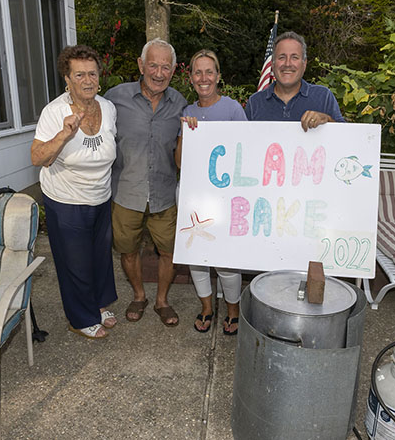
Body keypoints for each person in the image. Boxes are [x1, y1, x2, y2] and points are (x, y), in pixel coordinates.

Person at [31, 45, 118, 339]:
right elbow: (37, 157)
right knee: (75, 262)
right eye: (79, 74)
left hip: (100, 196)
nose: (87, 80)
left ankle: (98, 305)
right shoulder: (54, 112)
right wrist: (64, 135)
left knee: (100, 257)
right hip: (66, 200)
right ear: (67, 79)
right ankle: (80, 319)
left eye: (92, 73)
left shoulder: (108, 108)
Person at [104, 39, 187, 327]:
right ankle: (139, 296)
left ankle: (162, 300)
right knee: (128, 250)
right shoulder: (115, 99)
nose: (159, 73)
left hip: (164, 194)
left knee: (170, 251)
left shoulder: (180, 104)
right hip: (127, 192)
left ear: (173, 71)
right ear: (141, 65)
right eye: (153, 65)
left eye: (166, 67)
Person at [175, 49, 246, 335]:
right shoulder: (188, 112)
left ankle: (233, 310)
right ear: (190, 78)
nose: (203, 78)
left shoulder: (232, 109)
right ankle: (206, 308)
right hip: (193, 196)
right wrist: (186, 134)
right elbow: (180, 163)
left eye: (209, 72)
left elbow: (246, 152)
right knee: (197, 256)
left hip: (225, 197)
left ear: (218, 76)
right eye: (197, 72)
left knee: (226, 259)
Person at [245, 31, 345, 129]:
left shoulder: (323, 97)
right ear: (273, 63)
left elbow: (344, 135)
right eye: (282, 57)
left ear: (304, 64)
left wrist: (327, 119)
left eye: (294, 57)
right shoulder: (255, 103)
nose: (287, 64)